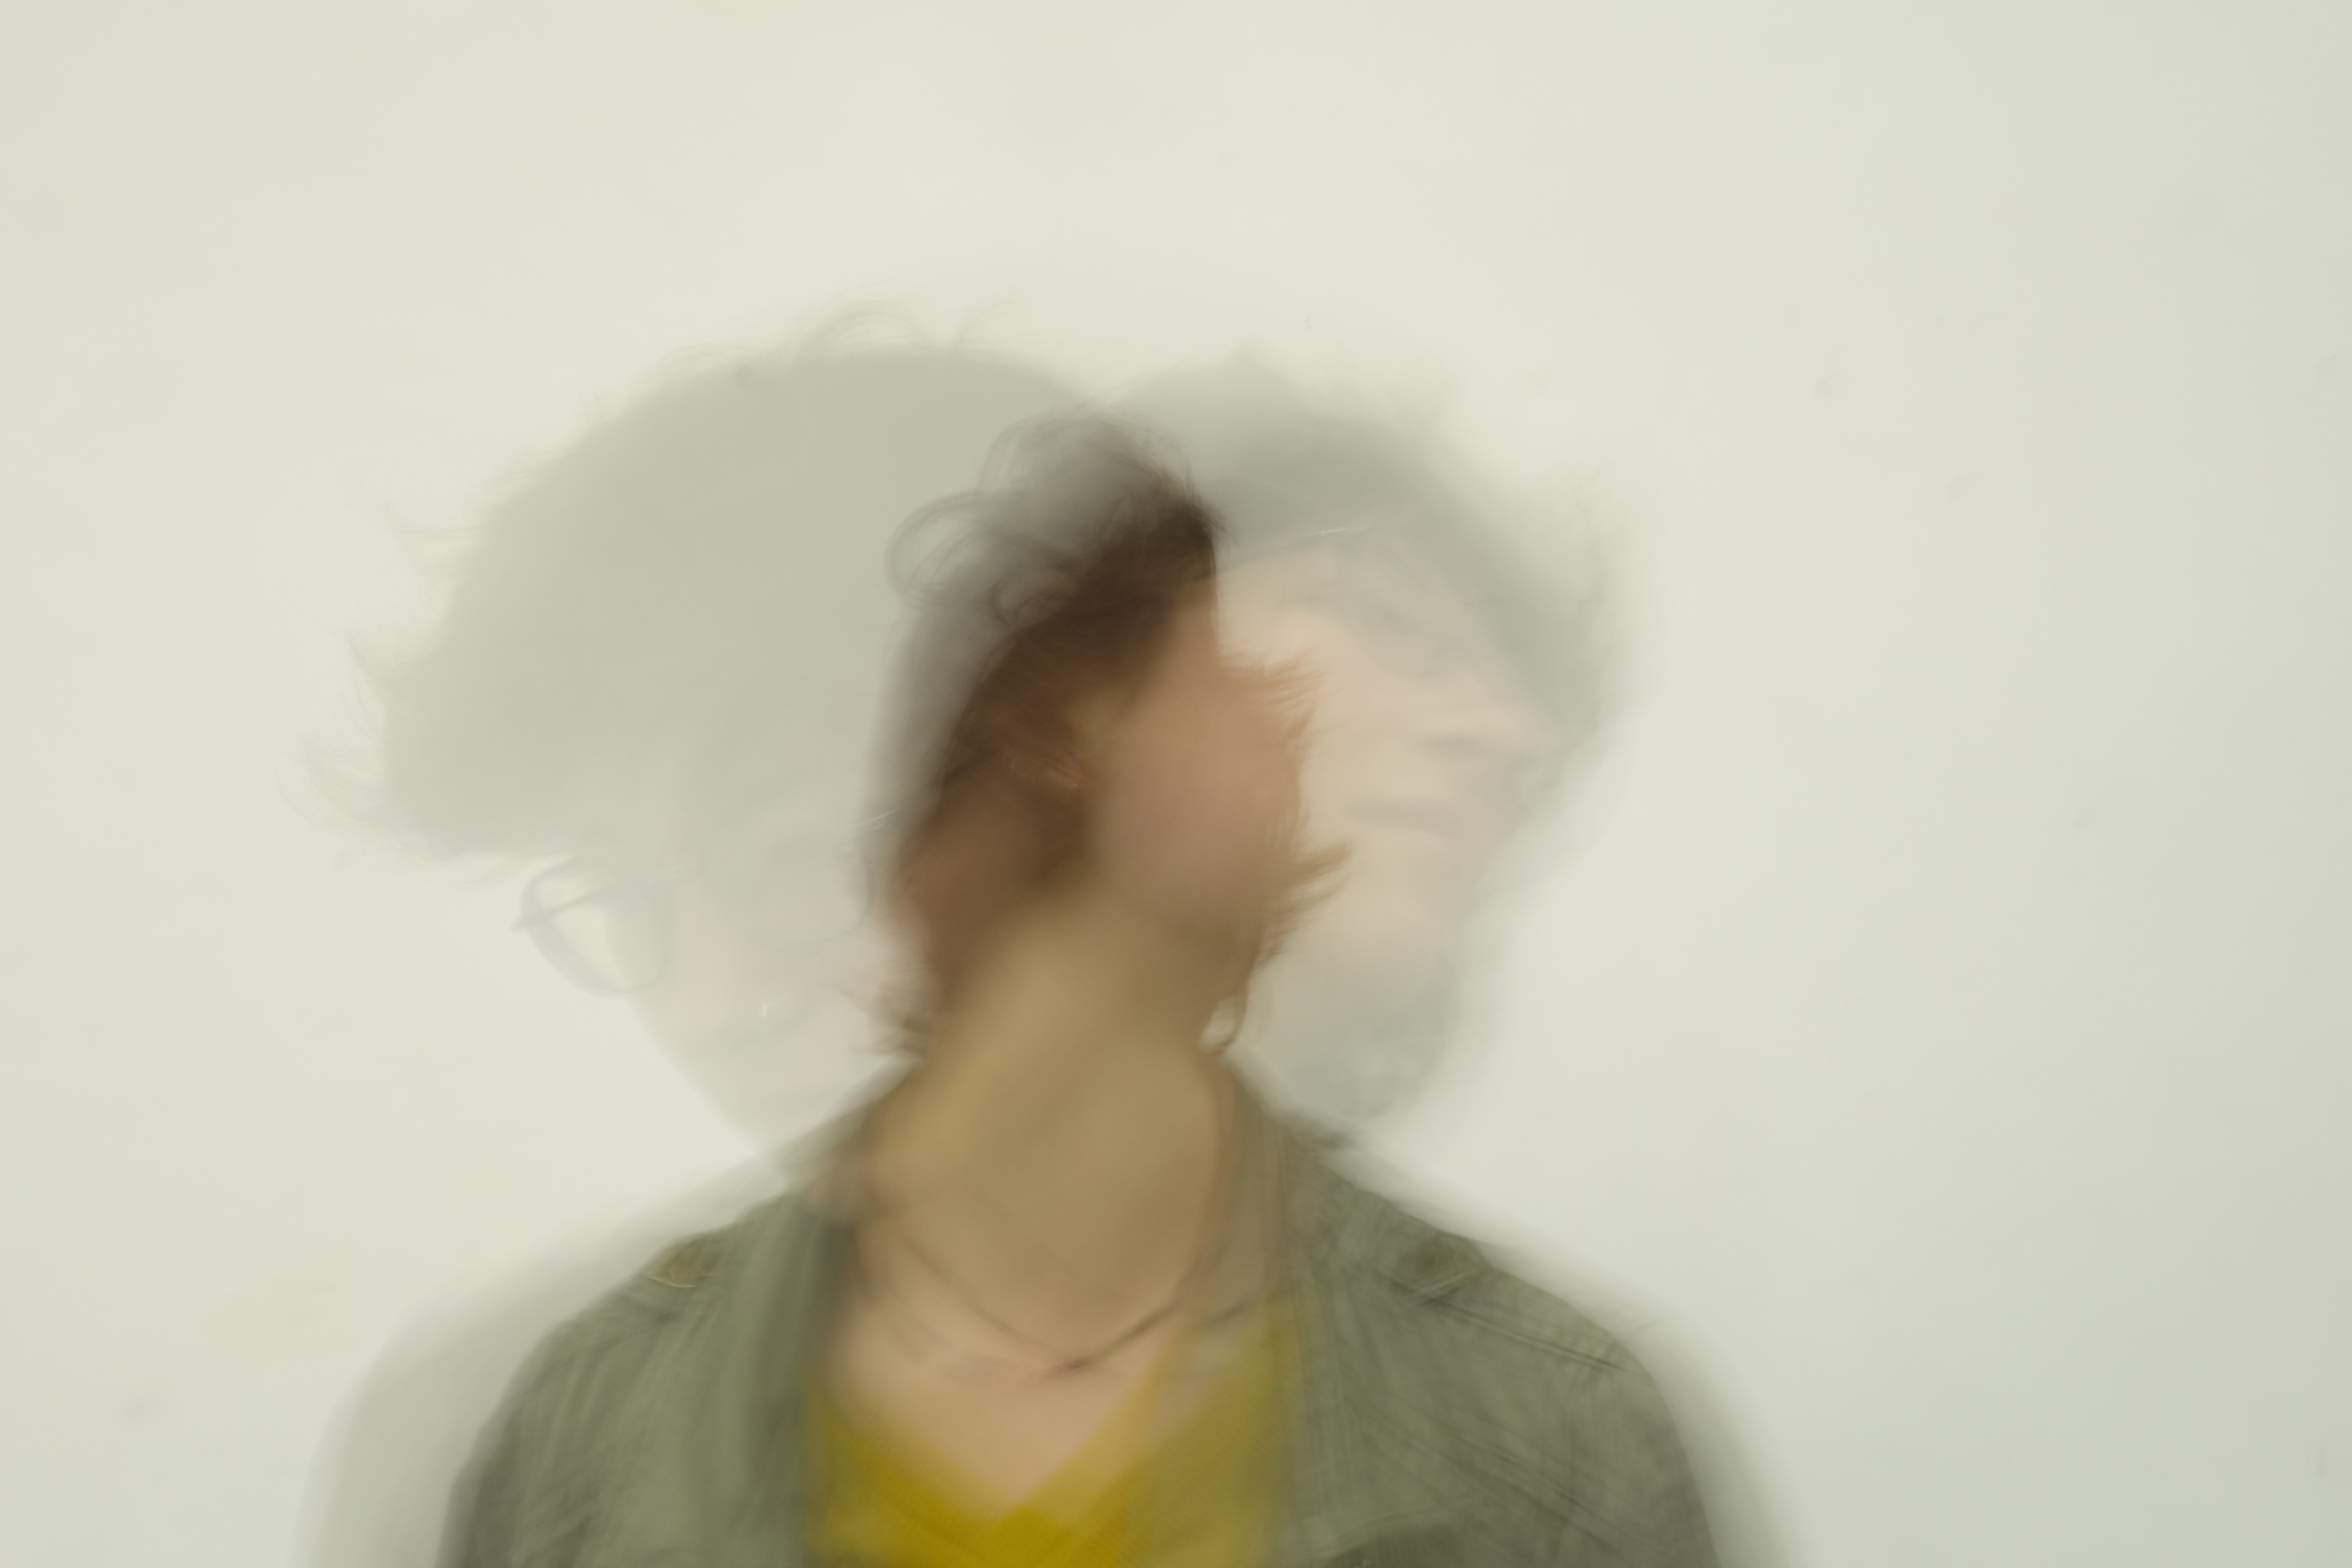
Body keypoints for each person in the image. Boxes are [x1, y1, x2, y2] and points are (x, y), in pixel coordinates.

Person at [346, 331, 1719, 1567]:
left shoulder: (1548, 1435)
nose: (707, 1003)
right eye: (619, 898)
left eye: (779, 858)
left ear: (1058, 773)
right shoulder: (541, 1448)